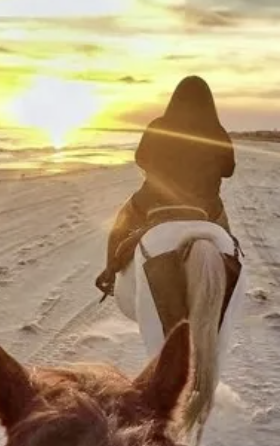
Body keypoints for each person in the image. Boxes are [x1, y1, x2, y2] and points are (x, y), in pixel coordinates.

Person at [94, 76, 236, 298]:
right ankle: (229, 286)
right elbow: (229, 170)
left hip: (154, 200)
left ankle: (111, 275)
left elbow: (140, 158)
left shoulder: (158, 125)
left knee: (119, 228)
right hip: (207, 207)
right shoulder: (217, 131)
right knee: (229, 245)